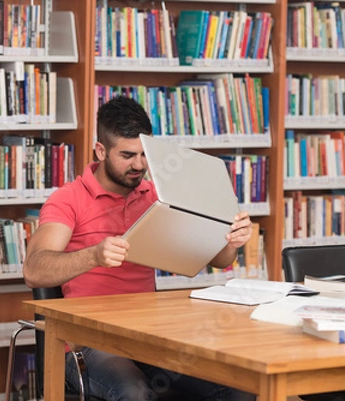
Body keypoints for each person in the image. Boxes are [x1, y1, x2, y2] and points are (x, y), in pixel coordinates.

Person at [23, 96, 256, 401]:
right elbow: (34, 271)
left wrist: (232, 239)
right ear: (101, 150)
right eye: (128, 155)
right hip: (88, 342)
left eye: (145, 155)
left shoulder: (158, 195)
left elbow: (218, 259)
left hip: (149, 336)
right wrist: (94, 255)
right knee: (134, 393)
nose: (139, 165)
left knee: (239, 388)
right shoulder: (68, 200)